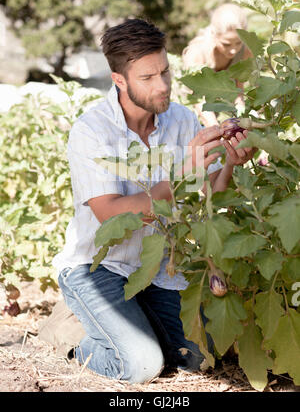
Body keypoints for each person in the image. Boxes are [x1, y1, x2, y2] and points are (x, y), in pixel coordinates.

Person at [39, 19, 255, 384]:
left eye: (165, 71)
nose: (163, 85)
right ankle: (74, 336)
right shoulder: (92, 130)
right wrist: (181, 177)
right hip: (96, 268)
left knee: (198, 358)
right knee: (141, 365)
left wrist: (230, 164)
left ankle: (126, 322)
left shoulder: (182, 119)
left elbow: (210, 195)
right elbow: (110, 215)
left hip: (155, 268)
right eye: (148, 77)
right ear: (119, 80)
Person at [182, 3, 252, 127]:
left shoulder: (245, 51)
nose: (233, 50)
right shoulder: (198, 52)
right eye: (226, 44)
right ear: (214, 34)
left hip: (219, 108)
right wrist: (215, 127)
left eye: (238, 43)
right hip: (188, 110)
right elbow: (196, 99)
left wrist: (241, 115)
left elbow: (238, 89)